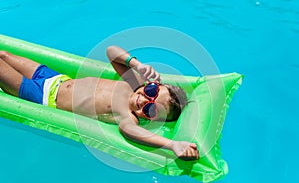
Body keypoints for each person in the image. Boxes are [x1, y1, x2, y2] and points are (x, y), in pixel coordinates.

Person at [0, 46, 199, 160]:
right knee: (4, 55)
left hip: (40, 96)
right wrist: (137, 64)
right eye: (152, 91)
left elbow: (131, 132)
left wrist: (172, 144)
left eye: (151, 109)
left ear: (150, 118)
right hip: (55, 79)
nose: (145, 100)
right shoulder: (134, 82)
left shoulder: (127, 116)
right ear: (151, 84)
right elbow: (111, 52)